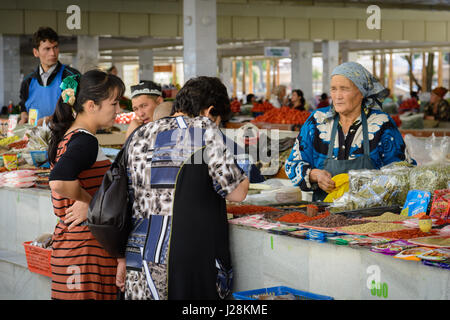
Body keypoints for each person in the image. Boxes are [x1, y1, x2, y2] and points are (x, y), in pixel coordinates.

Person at [116, 76, 249, 300]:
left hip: (139, 258)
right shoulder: (203, 128)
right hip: (183, 260)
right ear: (209, 111)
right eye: (218, 120)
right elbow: (237, 192)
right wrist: (242, 169)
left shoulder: (139, 134)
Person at [285, 62, 414, 201]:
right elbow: (293, 164)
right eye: (333, 89)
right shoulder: (317, 120)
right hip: (323, 214)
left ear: (361, 93)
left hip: (370, 215)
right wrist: (315, 175)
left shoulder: (382, 123)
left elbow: (403, 172)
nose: (337, 96)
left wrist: (371, 183)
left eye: (344, 89)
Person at [47, 70, 125, 299]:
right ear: (91, 105)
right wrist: (91, 202)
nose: (118, 110)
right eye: (114, 103)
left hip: (72, 248)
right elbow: (59, 181)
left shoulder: (70, 136)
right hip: (84, 254)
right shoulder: (85, 140)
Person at [19, 27, 80, 125]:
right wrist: (24, 116)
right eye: (47, 49)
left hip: (64, 136)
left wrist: (49, 120)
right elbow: (23, 106)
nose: (53, 53)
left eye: (55, 47)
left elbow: (75, 110)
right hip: (35, 137)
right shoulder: (28, 81)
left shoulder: (70, 77)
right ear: (36, 52)